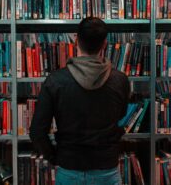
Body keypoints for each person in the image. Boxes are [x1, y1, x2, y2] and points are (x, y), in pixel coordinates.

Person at [30, 17, 130, 185]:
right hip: (106, 167)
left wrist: (55, 157)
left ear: (76, 40)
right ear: (104, 44)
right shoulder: (120, 80)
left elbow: (37, 132)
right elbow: (121, 115)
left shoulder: (56, 81)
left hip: (69, 166)